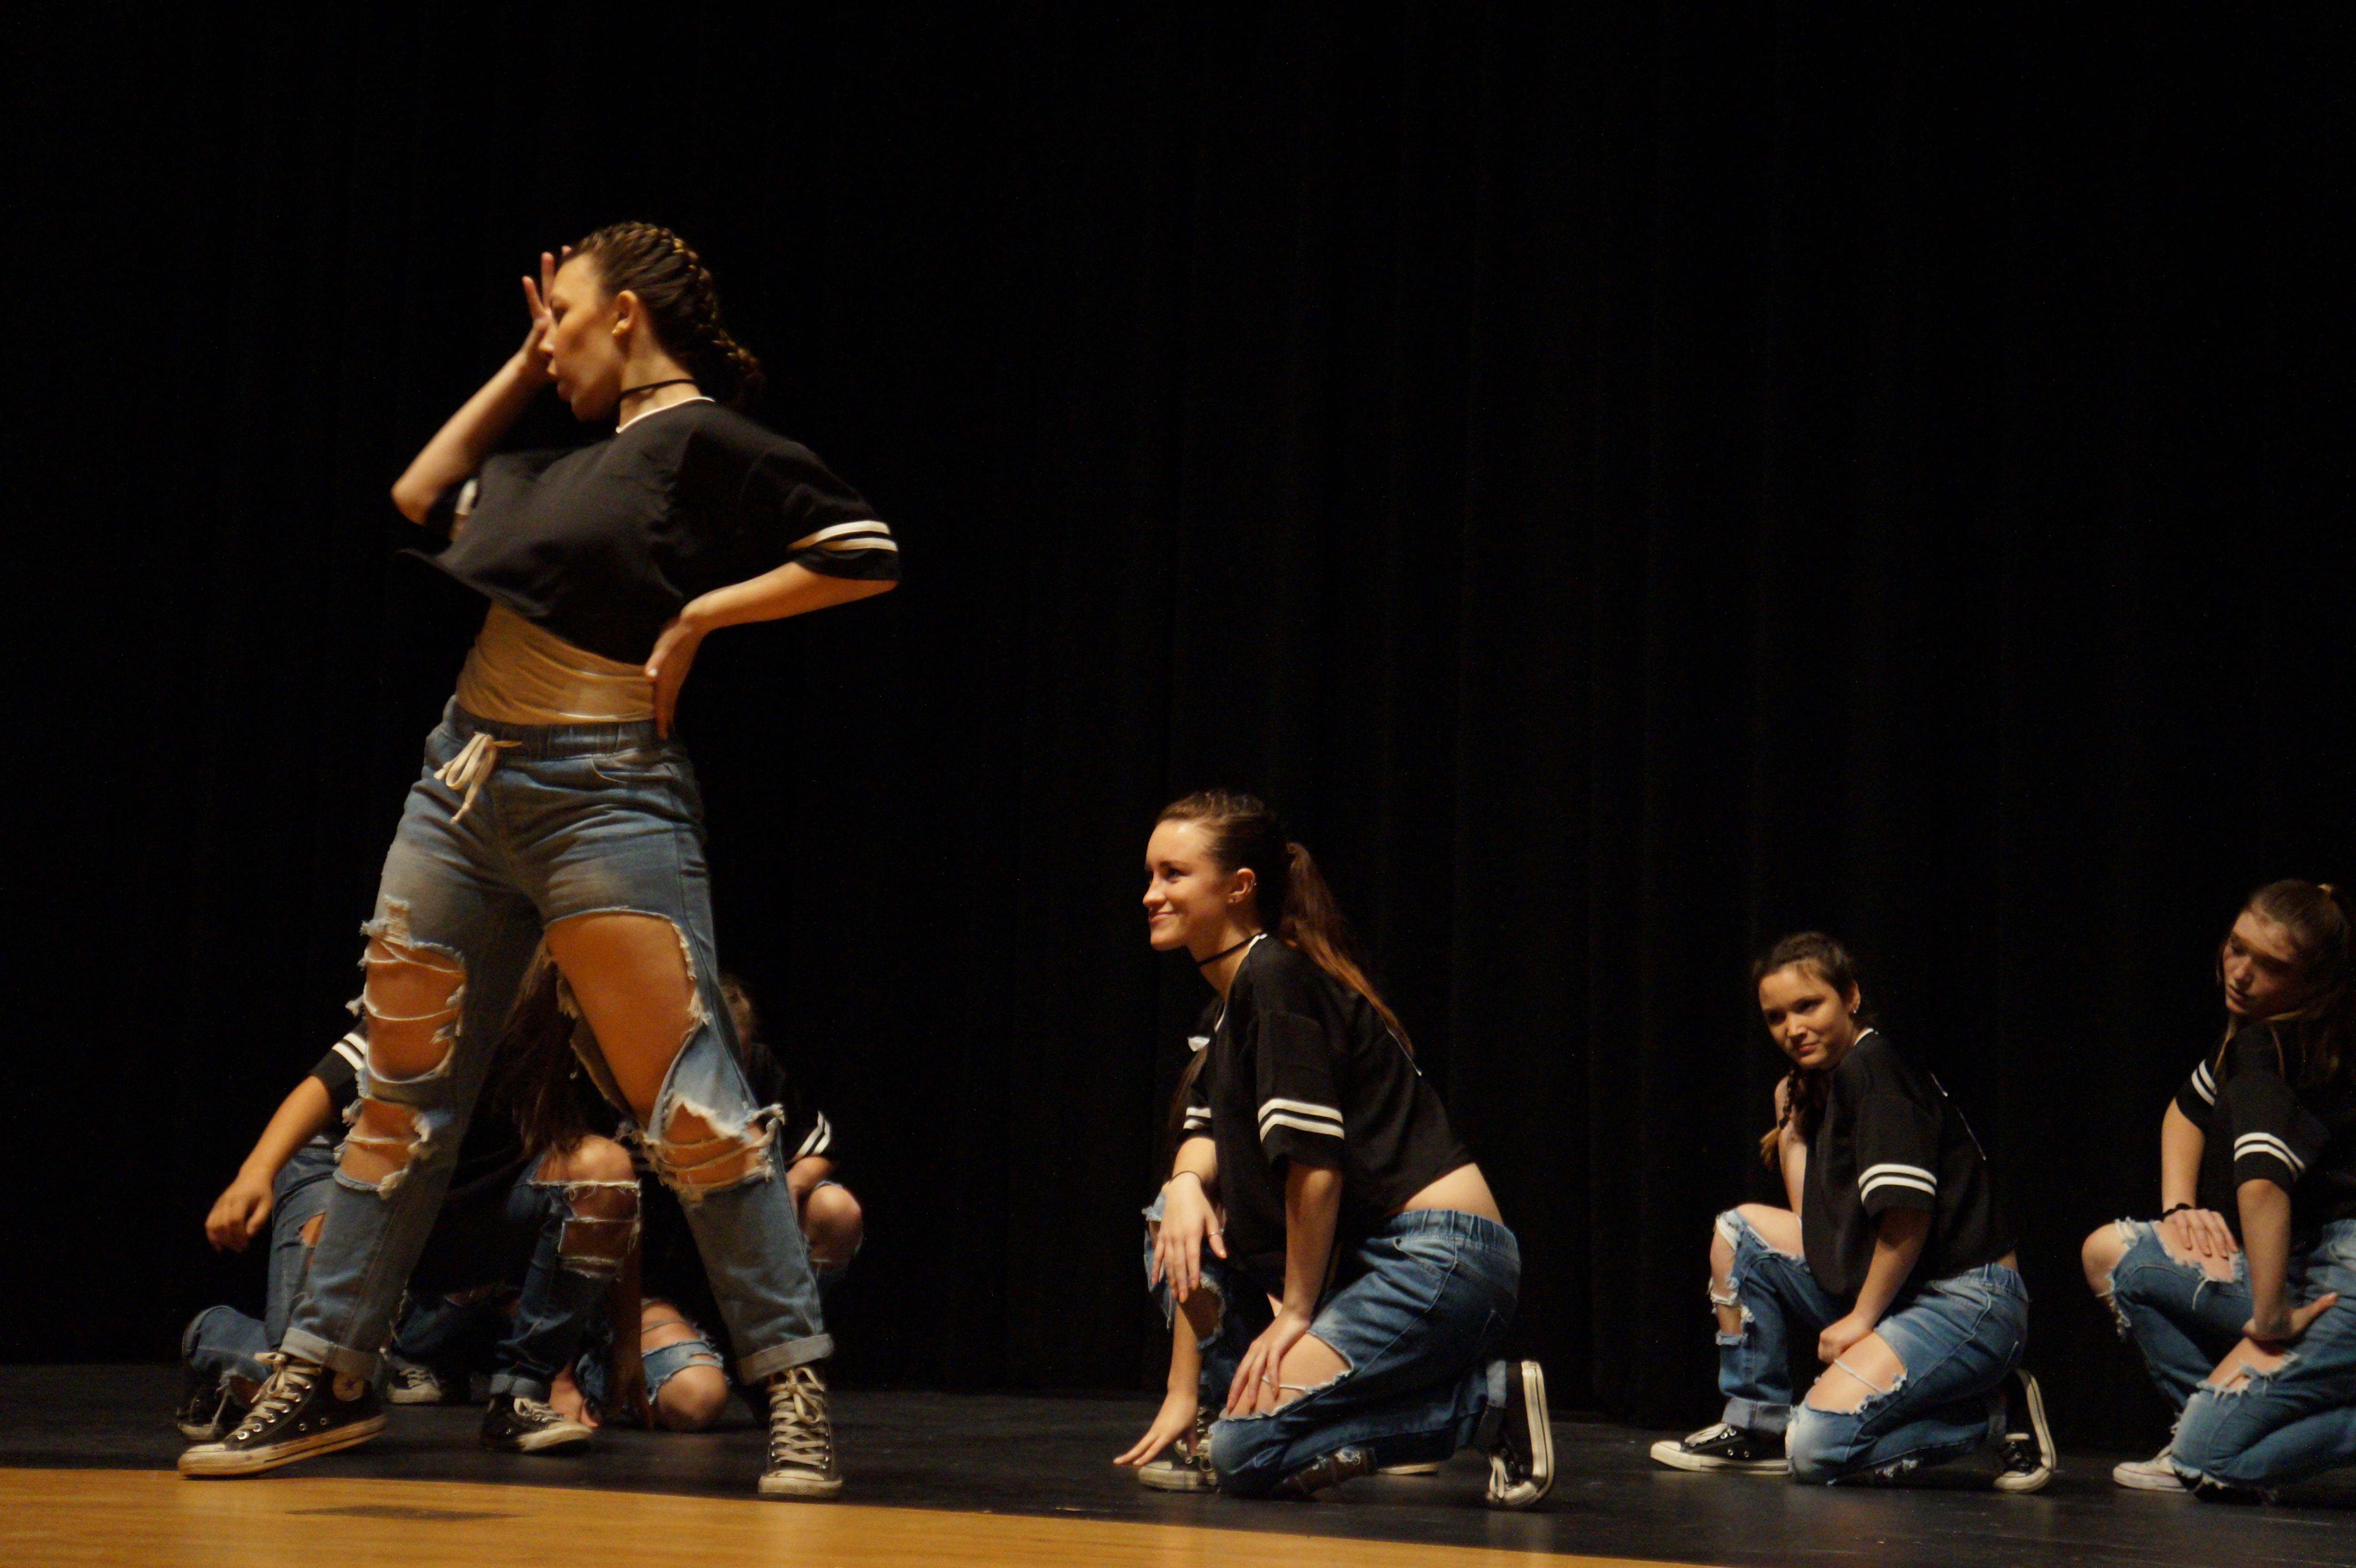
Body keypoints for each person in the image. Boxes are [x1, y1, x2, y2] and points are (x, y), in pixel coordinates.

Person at [177, 223, 898, 1501]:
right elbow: (415, 490)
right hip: (460, 784)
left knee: (690, 1101)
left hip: (602, 791)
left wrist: (698, 615)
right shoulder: (560, 462)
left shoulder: (696, 440)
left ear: (625, 314)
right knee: (400, 1094)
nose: (548, 335)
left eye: (558, 314)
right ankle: (325, 1370)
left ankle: (795, 1388)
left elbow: (863, 552)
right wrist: (523, 364)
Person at [1110, 790, 1553, 1507]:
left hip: (1439, 1257)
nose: (1150, 894)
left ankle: (1484, 1404)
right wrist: (1187, 1188)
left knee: (1246, 1451)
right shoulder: (1229, 1008)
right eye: (1151, 874)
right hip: (1376, 1258)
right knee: (1169, 1210)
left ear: (1238, 887)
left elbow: (1315, 1169)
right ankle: (1292, 1416)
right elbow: (1200, 1138)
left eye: (1172, 874)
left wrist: (1295, 1312)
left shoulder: (1274, 980)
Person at [1649, 932, 2055, 1489]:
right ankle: (1757, 1424)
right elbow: (1813, 1225)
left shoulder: (1876, 1071)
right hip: (1902, 1288)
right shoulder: (1828, 1084)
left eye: (1808, 1005)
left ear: (1851, 997)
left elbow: (1907, 1220)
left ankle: (1992, 1413)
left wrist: (1861, 1320)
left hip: (1967, 1301)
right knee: (1739, 1233)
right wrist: (1793, 1121)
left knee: (1817, 1451)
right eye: (1776, 1017)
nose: (1793, 1028)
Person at [176, 1022, 635, 1454]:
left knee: (603, 1166)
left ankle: (519, 1396)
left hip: (466, 1206)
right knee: (332, 1387)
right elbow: (327, 1081)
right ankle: (213, 1337)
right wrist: (255, 1172)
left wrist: (624, 1346)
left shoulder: (590, 1024)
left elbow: (619, 1199)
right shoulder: (461, 982)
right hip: (354, 1173)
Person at [2084, 881, 2356, 1500]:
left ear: (2314, 982)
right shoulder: (2259, 1032)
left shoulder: (2270, 1046)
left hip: (2341, 1284)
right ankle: (2207, 1436)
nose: (2240, 973)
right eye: (2238, 948)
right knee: (2115, 1254)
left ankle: (2209, 1448)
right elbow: (2186, 1112)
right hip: (2311, 1264)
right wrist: (2181, 1209)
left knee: (2208, 1458)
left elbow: (2262, 1186)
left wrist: (2270, 1318)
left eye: (2271, 966)